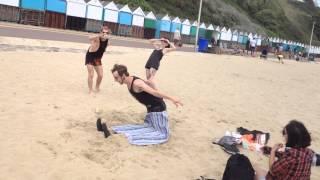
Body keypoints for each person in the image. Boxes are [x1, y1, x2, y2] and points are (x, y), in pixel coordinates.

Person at [101, 64, 182, 146]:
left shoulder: (136, 84)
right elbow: (147, 83)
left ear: (123, 75)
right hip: (151, 111)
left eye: (116, 77)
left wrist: (172, 98)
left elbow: (154, 92)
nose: (115, 80)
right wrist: (151, 82)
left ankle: (115, 133)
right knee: (145, 127)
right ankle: (111, 130)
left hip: (158, 110)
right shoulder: (130, 81)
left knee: (161, 134)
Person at [85, 26, 110, 94]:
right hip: (90, 56)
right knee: (91, 74)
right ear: (101, 32)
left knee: (100, 75)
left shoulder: (108, 41)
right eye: (103, 32)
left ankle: (97, 87)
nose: (104, 34)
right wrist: (99, 35)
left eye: (106, 33)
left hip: (97, 58)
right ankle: (90, 90)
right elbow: (89, 37)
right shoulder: (97, 38)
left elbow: (102, 50)